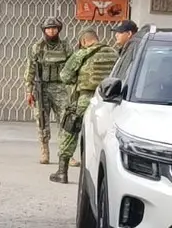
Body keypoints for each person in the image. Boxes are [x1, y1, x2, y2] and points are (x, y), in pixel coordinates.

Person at [54, 29, 119, 184]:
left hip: (86, 98)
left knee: (70, 129)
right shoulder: (114, 53)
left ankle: (62, 172)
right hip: (109, 100)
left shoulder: (81, 54)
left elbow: (65, 76)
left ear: (83, 41)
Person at [23, 17, 72, 165]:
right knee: (42, 120)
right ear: (44, 30)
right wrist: (28, 91)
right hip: (42, 87)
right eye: (48, 29)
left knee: (65, 120)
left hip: (60, 87)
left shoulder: (65, 47)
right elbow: (30, 69)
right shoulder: (37, 47)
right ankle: (44, 151)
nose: (51, 31)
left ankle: (66, 153)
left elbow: (72, 66)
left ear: (59, 30)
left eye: (54, 28)